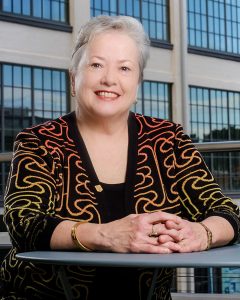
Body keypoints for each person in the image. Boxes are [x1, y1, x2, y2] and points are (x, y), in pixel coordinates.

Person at [1, 15, 240, 300]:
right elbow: (23, 223)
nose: (109, 79)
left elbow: (227, 213)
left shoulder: (168, 139)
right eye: (96, 64)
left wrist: (202, 233)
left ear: (138, 82)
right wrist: (106, 235)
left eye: (125, 68)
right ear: (73, 77)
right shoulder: (39, 141)